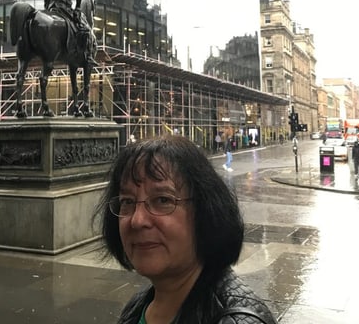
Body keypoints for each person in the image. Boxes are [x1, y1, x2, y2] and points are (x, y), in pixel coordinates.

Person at [93, 135, 277, 324]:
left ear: (205, 212)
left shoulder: (237, 321)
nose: (137, 220)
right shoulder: (138, 306)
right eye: (127, 201)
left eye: (163, 200)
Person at [44, 0, 97, 66]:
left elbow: (46, 1)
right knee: (85, 28)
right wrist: (77, 8)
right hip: (64, 9)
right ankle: (86, 55)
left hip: (51, 9)